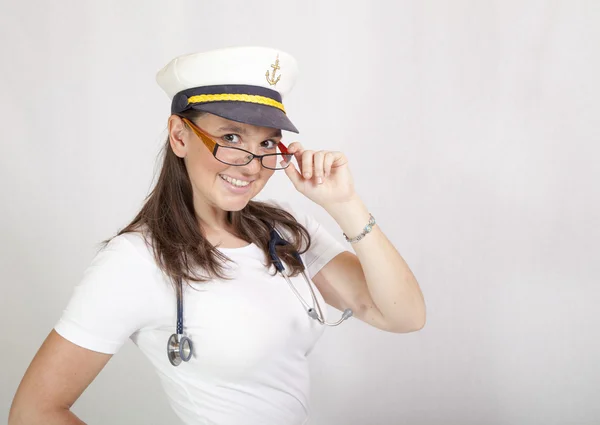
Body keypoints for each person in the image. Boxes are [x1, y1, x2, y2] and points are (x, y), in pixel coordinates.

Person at [9, 46, 426, 425]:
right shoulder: (135, 260)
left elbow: (403, 316)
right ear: (179, 136)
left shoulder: (281, 229)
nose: (251, 165)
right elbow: (35, 410)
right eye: (230, 138)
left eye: (267, 143)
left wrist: (344, 203)